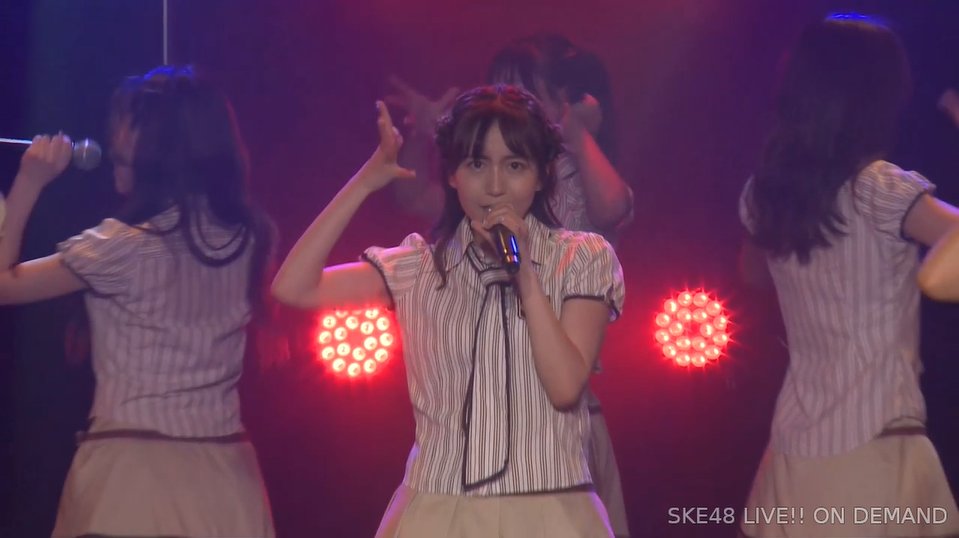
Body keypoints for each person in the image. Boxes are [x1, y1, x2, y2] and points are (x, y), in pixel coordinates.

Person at [272, 85, 625, 537]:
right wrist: (365, 182)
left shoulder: (581, 258)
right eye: (476, 164)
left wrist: (524, 274)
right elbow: (292, 287)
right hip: (438, 510)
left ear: (541, 176)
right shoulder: (418, 266)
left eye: (514, 166)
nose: (494, 186)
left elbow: (564, 386)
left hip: (553, 511)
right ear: (454, 174)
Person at [0, 65, 276, 537]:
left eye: (130, 129)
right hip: (227, 483)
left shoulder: (123, 247)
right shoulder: (249, 239)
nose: (115, 141)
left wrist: (30, 181)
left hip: (133, 482)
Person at [387, 33, 633, 536]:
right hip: (483, 416)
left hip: (561, 412)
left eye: (524, 90)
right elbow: (415, 199)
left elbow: (613, 207)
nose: (508, 101)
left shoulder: (565, 179)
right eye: (497, 87)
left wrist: (578, 133)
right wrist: (424, 134)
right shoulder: (485, 183)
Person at [737, 14, 959, 538]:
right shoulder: (879, 187)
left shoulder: (765, 192)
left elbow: (752, 274)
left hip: (793, 450)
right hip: (873, 451)